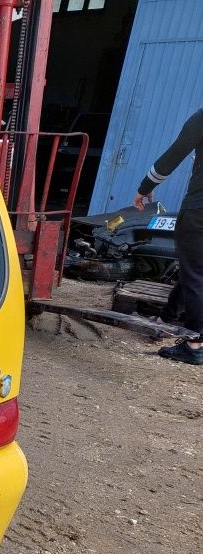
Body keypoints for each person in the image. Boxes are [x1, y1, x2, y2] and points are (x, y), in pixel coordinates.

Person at [134, 107, 203, 365]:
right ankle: (168, 317)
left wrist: (145, 187)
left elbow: (174, 155)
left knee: (196, 274)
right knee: (194, 268)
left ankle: (195, 344)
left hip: (199, 210)